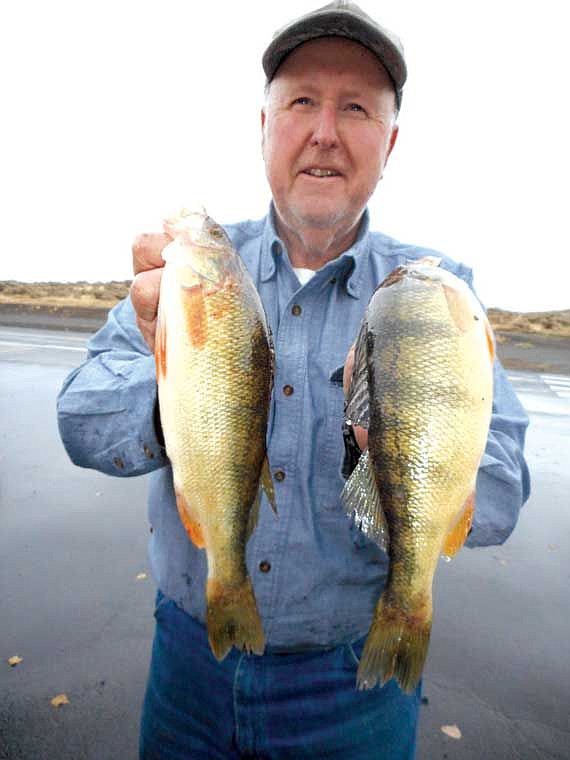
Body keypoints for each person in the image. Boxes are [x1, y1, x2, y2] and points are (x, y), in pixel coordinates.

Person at [57, 2, 531, 758]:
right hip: (188, 662)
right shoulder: (186, 283)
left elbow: (500, 504)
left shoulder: (438, 298)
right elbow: (80, 424)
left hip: (354, 687)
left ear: (391, 141)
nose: (324, 132)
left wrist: (400, 439)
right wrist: (175, 381)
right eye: (302, 101)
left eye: (356, 109)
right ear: (265, 125)